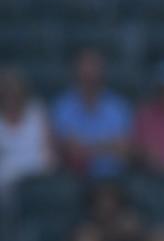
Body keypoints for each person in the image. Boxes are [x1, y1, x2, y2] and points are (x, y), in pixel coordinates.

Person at [51, 48, 132, 178]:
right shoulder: (62, 107)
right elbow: (70, 152)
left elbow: (124, 151)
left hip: (113, 179)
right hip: (74, 178)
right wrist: (107, 147)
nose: (89, 73)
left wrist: (85, 148)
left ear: (103, 71)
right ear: (75, 71)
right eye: (84, 67)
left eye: (94, 66)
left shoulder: (118, 106)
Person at [0, 68, 55, 205]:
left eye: (15, 91)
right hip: (5, 184)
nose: (11, 95)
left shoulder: (37, 113)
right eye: (6, 91)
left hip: (37, 179)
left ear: (23, 92)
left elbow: (50, 152)